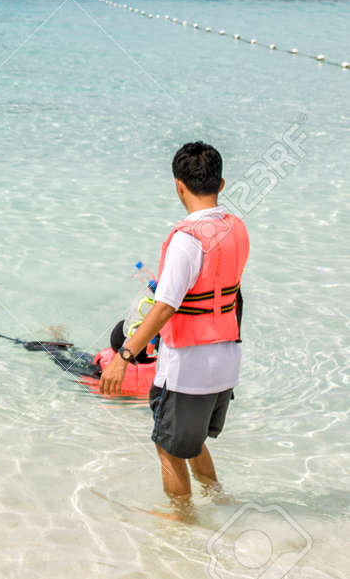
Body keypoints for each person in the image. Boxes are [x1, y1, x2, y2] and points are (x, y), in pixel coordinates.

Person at [100, 142, 248, 514]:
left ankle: (181, 525)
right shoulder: (236, 228)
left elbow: (165, 307)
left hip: (188, 366)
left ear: (178, 185)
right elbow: (234, 297)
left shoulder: (186, 239)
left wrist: (124, 355)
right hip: (227, 358)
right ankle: (219, 500)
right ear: (222, 183)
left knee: (167, 446)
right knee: (193, 443)